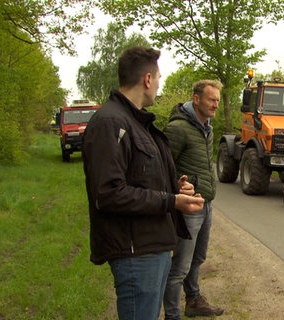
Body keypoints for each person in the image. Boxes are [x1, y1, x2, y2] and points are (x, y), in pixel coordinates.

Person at [82, 46, 205, 320]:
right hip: (135, 254)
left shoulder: (136, 123)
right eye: (159, 78)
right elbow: (109, 193)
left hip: (153, 247)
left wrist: (176, 186)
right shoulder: (110, 122)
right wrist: (171, 201)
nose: (159, 85)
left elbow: (140, 176)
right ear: (147, 79)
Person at [162, 80, 224, 320]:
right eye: (211, 99)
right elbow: (163, 168)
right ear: (196, 99)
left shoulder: (207, 127)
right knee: (179, 267)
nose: (216, 105)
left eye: (218, 100)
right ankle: (172, 315)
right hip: (188, 208)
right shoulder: (178, 128)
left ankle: (194, 300)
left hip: (206, 204)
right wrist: (179, 183)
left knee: (198, 258)